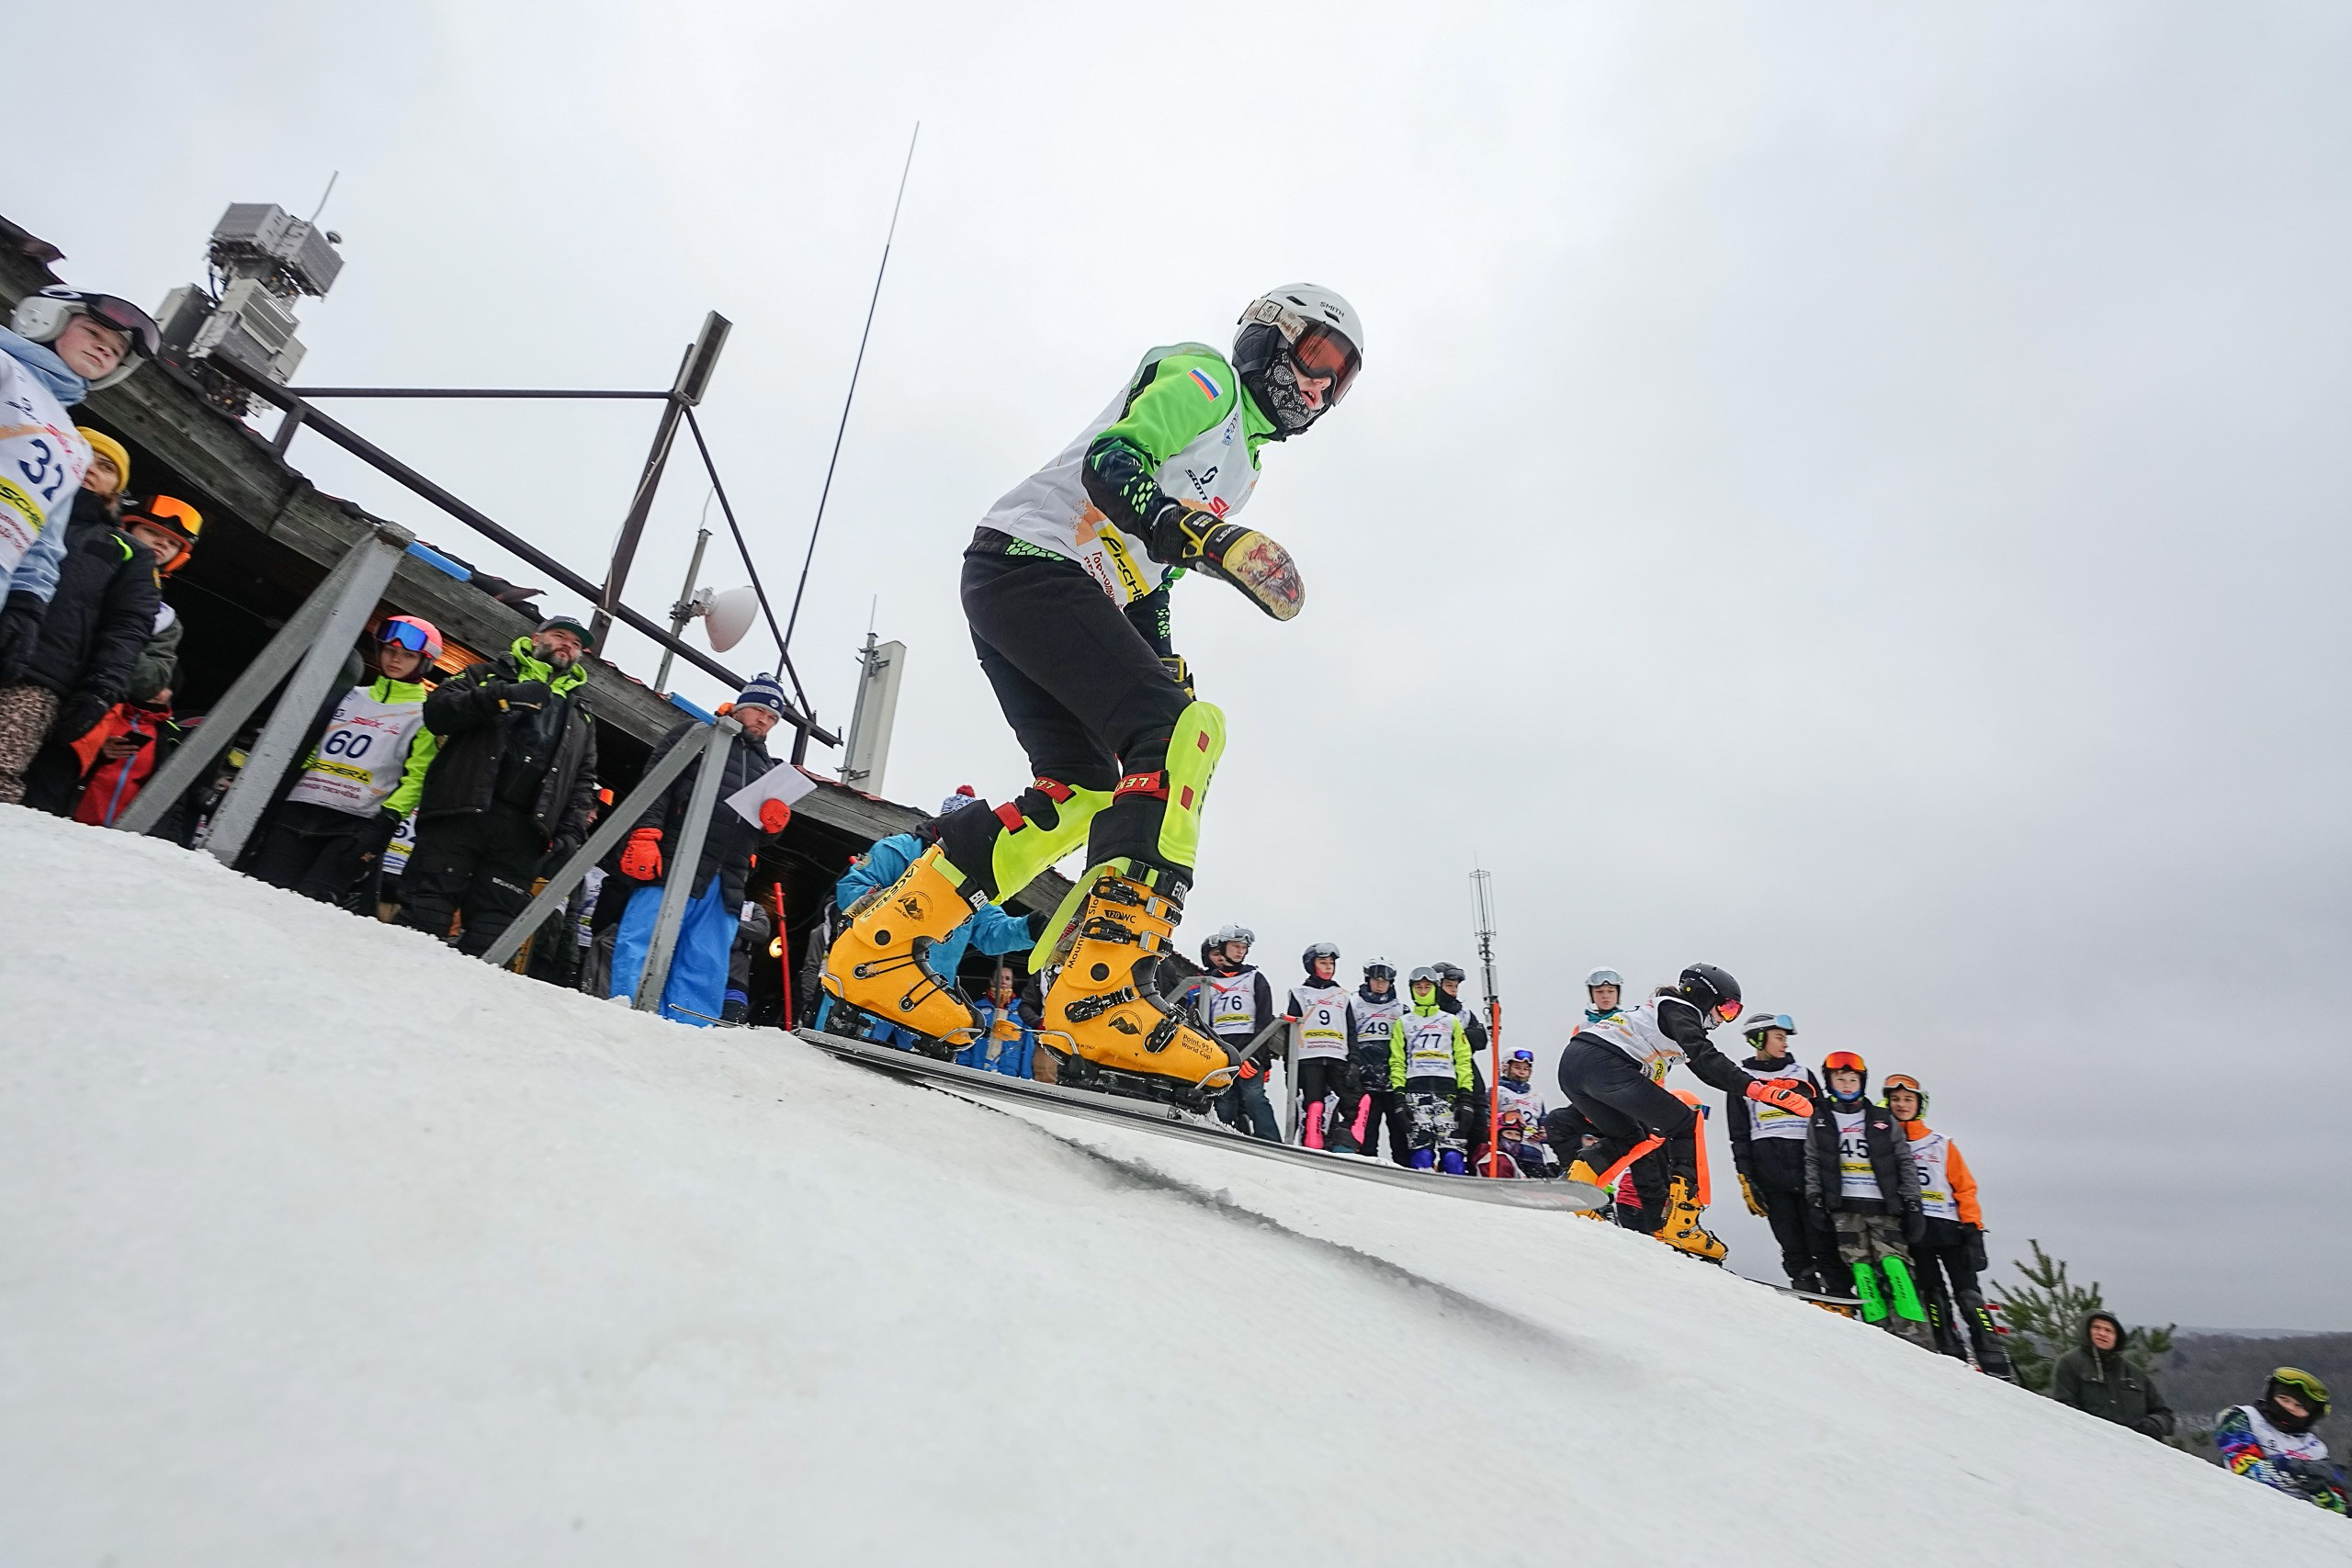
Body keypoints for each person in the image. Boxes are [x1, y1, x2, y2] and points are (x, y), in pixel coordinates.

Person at [820, 286, 1363, 1102]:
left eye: (1339, 381)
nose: (1319, 389)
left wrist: (1162, 652)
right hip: (1036, 565)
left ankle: (884, 945)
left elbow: (1147, 575)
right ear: (1271, 334)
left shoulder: (1243, 464)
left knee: (1078, 789)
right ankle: (1102, 990)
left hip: (1028, 581)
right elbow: (1113, 465)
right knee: (1185, 734)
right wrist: (1205, 536)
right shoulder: (1208, 380)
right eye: (1318, 358)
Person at [1557, 965, 1810, 1261]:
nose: (1724, 1018)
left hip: (1575, 1067)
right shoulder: (1678, 1008)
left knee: (1630, 1137)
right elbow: (1705, 1056)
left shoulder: (1669, 1019)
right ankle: (1683, 1224)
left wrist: (1755, 1086)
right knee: (1686, 1124)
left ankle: (1577, 1192)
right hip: (1606, 1063)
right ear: (1703, 995)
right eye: (1726, 1008)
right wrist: (1758, 1089)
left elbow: (1708, 1070)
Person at [0, 288, 157, 721]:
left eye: (117, 349)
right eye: (93, 331)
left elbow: (45, 539)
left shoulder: (71, 442)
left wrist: (26, 605)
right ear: (45, 318)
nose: (106, 348)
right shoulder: (7, 368)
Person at [401, 616, 599, 956]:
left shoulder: (581, 714)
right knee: (425, 916)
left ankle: (456, 1008)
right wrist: (501, 698)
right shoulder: (486, 674)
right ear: (537, 638)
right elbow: (437, 712)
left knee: (492, 939)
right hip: (460, 812)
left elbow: (583, 779)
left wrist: (571, 832)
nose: (567, 645)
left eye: (576, 643)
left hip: (522, 833)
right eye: (559, 636)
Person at [607, 675, 798, 1025]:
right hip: (673, 858)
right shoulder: (696, 734)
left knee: (706, 959)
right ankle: (626, 1015)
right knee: (645, 941)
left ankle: (689, 1031)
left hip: (727, 877)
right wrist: (646, 834)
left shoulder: (766, 768)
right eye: (759, 711)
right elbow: (656, 786)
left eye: (773, 719)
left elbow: (761, 837)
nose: (764, 722)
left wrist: (774, 825)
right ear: (741, 707)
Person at [2, 432, 158, 806]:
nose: (91, 469)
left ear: (116, 488)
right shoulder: (15, 504)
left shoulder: (129, 551)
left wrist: (101, 689)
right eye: (85, 456)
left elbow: (127, 628)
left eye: (106, 467)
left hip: (38, 677)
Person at [245, 617, 443, 906]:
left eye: (408, 655)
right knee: (260, 896)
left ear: (424, 662)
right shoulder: (349, 696)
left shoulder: (425, 715)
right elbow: (312, 749)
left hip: (355, 824)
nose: (395, 659)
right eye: (389, 651)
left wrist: (386, 822)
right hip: (299, 811)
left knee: (313, 906)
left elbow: (417, 778)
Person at [819, 792, 1039, 1047]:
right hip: (870, 978)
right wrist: (895, 903)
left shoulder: (974, 881)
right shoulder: (898, 851)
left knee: (910, 1080)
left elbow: (991, 932)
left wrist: (1030, 929)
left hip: (925, 998)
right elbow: (852, 890)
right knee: (839, 1064)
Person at [1802, 1052, 1936, 1347]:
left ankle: (1917, 1338)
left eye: (1853, 1080)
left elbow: (1904, 1161)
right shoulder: (1821, 1117)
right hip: (1844, 1208)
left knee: (1895, 1266)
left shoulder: (1881, 1117)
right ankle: (1880, 1336)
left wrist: (1913, 1203)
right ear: (1830, 1081)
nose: (1847, 1085)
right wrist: (1815, 1198)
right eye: (1840, 1079)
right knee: (1862, 1270)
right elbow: (1812, 1159)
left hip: (1883, 1206)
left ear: (1862, 1082)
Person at [1883, 1073, 2012, 1377]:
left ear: (1919, 1104)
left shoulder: (1941, 1144)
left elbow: (1964, 1188)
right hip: (1915, 1230)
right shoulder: (1885, 1145)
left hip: (1950, 1228)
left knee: (1969, 1294)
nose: (1901, 1105)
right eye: (1896, 1099)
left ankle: (1992, 1356)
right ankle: (1948, 1351)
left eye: (1908, 1099)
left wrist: (1973, 1231)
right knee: (1934, 1295)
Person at [1725, 1012, 1831, 1290]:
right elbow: (1739, 1134)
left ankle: (1838, 1294)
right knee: (1791, 1241)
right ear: (1760, 1039)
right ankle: (1807, 1291)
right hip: (1770, 1173)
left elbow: (1822, 1122)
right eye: (1779, 1037)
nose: (1785, 1044)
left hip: (1807, 1170)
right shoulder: (1741, 1079)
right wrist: (1746, 1176)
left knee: (1822, 1238)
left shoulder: (1801, 1074)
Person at [2216, 1369, 2348, 1516]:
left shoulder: (2314, 1447)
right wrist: (2295, 1469)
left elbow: (2339, 1502)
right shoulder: (2244, 1418)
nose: (2289, 1408)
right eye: (2283, 1399)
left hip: (2298, 1518)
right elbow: (2241, 1464)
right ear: (2271, 1396)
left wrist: (2323, 1493)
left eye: (2300, 1406)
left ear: (2311, 1415)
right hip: (2242, 1504)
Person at [1197, 925, 1281, 1141]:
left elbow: (1264, 1020)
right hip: (1219, 1054)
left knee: (1254, 1098)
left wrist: (1257, 1058)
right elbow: (1198, 1019)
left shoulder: (1255, 978)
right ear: (1224, 947)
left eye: (1243, 947)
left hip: (1249, 1051)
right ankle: (1226, 1141)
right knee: (1223, 1103)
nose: (1240, 951)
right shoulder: (1209, 983)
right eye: (1235, 946)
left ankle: (1271, 1141)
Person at [1389, 966, 1474, 1173]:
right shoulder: (1404, 1022)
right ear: (1412, 990)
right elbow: (1397, 1061)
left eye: (1428, 987)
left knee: (1453, 1157)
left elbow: (1463, 1060)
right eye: (1419, 987)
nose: (1424, 991)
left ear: (1435, 988)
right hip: (1416, 1093)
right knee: (1422, 1153)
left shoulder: (1450, 1021)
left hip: (1448, 1093)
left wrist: (1466, 1098)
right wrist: (1399, 1098)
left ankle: (1459, 1196)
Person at [2047, 1310, 2174, 1438]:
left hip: (2137, 1448)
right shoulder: (2069, 1363)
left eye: (2109, 1331)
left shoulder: (2134, 1373)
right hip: (2087, 1442)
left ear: (2116, 1338)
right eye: (2096, 1327)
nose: (2102, 1333)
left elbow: (2165, 1414)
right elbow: (2064, 1409)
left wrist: (2153, 1424)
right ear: (2086, 1331)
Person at [1287, 942, 1365, 1150]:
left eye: (1331, 963)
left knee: (1354, 1099)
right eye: (1323, 963)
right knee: (1314, 1102)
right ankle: (1312, 1142)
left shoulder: (1342, 995)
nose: (1329, 967)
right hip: (1309, 1056)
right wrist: (1290, 1068)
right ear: (1311, 965)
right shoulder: (1299, 993)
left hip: (1337, 1055)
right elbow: (1290, 1031)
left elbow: (1351, 1030)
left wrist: (1354, 1061)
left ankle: (1346, 1139)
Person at [1351, 956, 1409, 1162]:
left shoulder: (1401, 1009)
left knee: (1400, 1135)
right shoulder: (1353, 1003)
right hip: (1365, 1083)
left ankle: (1405, 1172)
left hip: (1393, 1083)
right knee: (1367, 1135)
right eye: (1376, 979)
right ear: (1368, 979)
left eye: (1385, 980)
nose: (1380, 984)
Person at [957, 965, 1040, 1078]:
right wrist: (962, 1067)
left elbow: (1028, 1045)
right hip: (977, 1070)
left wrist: (1026, 1076)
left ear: (1012, 982)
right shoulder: (977, 1008)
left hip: (1010, 1072)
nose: (1003, 982)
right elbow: (965, 1038)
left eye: (1007, 978)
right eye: (999, 977)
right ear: (992, 980)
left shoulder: (1022, 1010)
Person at [1491, 1050, 1557, 1178]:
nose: (1522, 1072)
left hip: (1533, 1152)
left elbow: (1546, 1124)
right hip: (1508, 1147)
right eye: (1517, 1068)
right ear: (1506, 1067)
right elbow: (1488, 1119)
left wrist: (1544, 1134)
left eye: (1525, 1069)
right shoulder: (1497, 1091)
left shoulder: (1537, 1097)